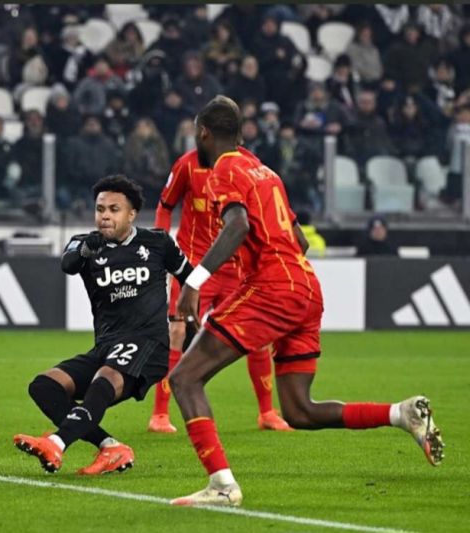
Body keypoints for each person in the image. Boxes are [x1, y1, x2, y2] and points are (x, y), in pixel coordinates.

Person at [168, 96, 444, 507]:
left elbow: (237, 225)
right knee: (299, 411)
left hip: (274, 287)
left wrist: (194, 281)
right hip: (306, 286)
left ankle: (222, 485)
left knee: (185, 378)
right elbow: (299, 239)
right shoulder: (265, 171)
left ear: (203, 133)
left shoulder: (224, 168)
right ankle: (400, 413)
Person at [13, 175, 194, 475]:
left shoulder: (157, 242)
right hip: (108, 346)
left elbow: (190, 276)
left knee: (104, 378)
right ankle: (110, 447)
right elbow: (68, 263)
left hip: (148, 344)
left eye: (114, 209)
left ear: (131, 214)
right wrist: (86, 249)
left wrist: (191, 314)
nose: (105, 216)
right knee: (44, 386)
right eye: (100, 209)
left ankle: (56, 443)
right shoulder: (85, 244)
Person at [148, 136, 289, 435]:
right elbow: (164, 206)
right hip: (194, 265)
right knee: (177, 332)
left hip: (236, 268)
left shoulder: (249, 164)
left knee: (257, 335)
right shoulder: (187, 165)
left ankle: (267, 412)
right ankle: (159, 414)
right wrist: (161, 251)